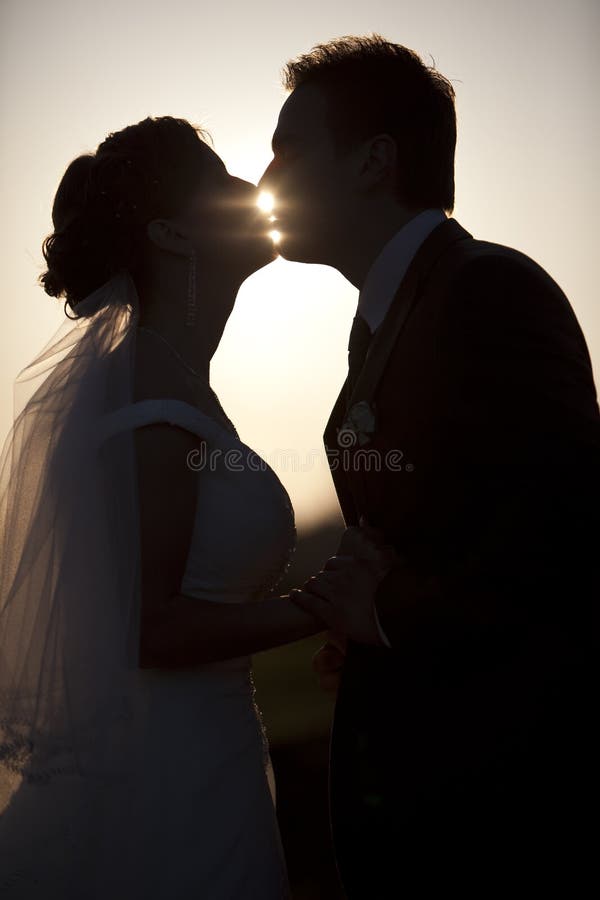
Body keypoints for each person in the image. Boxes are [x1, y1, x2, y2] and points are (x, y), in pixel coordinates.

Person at [0, 115, 389, 898]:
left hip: (209, 755)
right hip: (165, 785)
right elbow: (155, 625)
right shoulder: (150, 395)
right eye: (223, 180)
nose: (254, 187)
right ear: (174, 234)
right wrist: (325, 607)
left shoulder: (176, 380)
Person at [259, 34, 600, 897]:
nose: (265, 181)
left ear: (374, 161)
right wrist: (373, 634)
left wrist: (385, 614)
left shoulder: (492, 292)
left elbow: (568, 546)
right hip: (422, 797)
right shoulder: (382, 321)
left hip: (499, 815)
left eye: (288, 150)